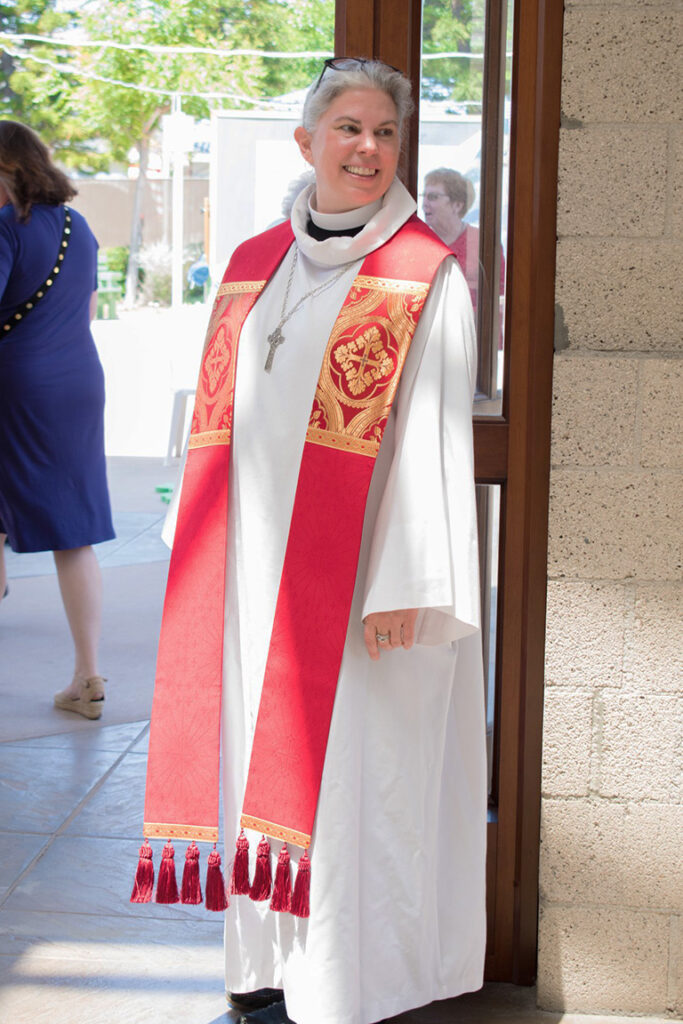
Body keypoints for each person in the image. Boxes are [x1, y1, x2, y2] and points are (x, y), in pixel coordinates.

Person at [141, 59, 486, 1024]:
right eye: (347, 128)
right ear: (306, 143)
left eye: (384, 132)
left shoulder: (424, 275)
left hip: (366, 584)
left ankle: (342, 992)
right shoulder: (254, 263)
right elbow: (218, 415)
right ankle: (262, 983)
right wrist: (198, 543)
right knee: (254, 771)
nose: (367, 148)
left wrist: (410, 581)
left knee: (352, 795)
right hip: (255, 573)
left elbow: (433, 433)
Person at [0, 121, 114, 719]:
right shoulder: (79, 226)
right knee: (74, 532)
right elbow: (87, 311)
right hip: (78, 381)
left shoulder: (5, 228)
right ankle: (87, 675)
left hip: (17, 384)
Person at [422, 166, 505, 341]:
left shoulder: (483, 243)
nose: (424, 203)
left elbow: (499, 299)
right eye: (424, 196)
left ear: (457, 205)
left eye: (433, 197)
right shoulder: (418, 242)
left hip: (474, 339)